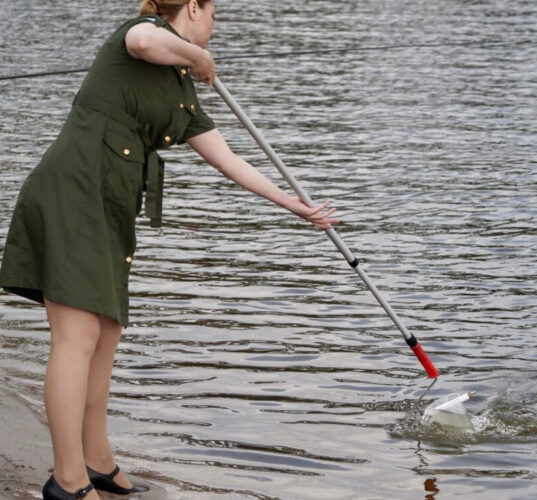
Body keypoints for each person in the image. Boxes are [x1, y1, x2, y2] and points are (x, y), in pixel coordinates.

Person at [0, 1, 339, 498]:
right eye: (214, 16)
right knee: (75, 337)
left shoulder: (182, 92)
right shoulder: (144, 36)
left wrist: (293, 205)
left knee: (106, 331)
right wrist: (197, 59)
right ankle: (67, 479)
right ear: (195, 8)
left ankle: (96, 458)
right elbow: (143, 42)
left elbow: (229, 160)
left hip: (111, 204)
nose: (214, 29)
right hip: (73, 193)